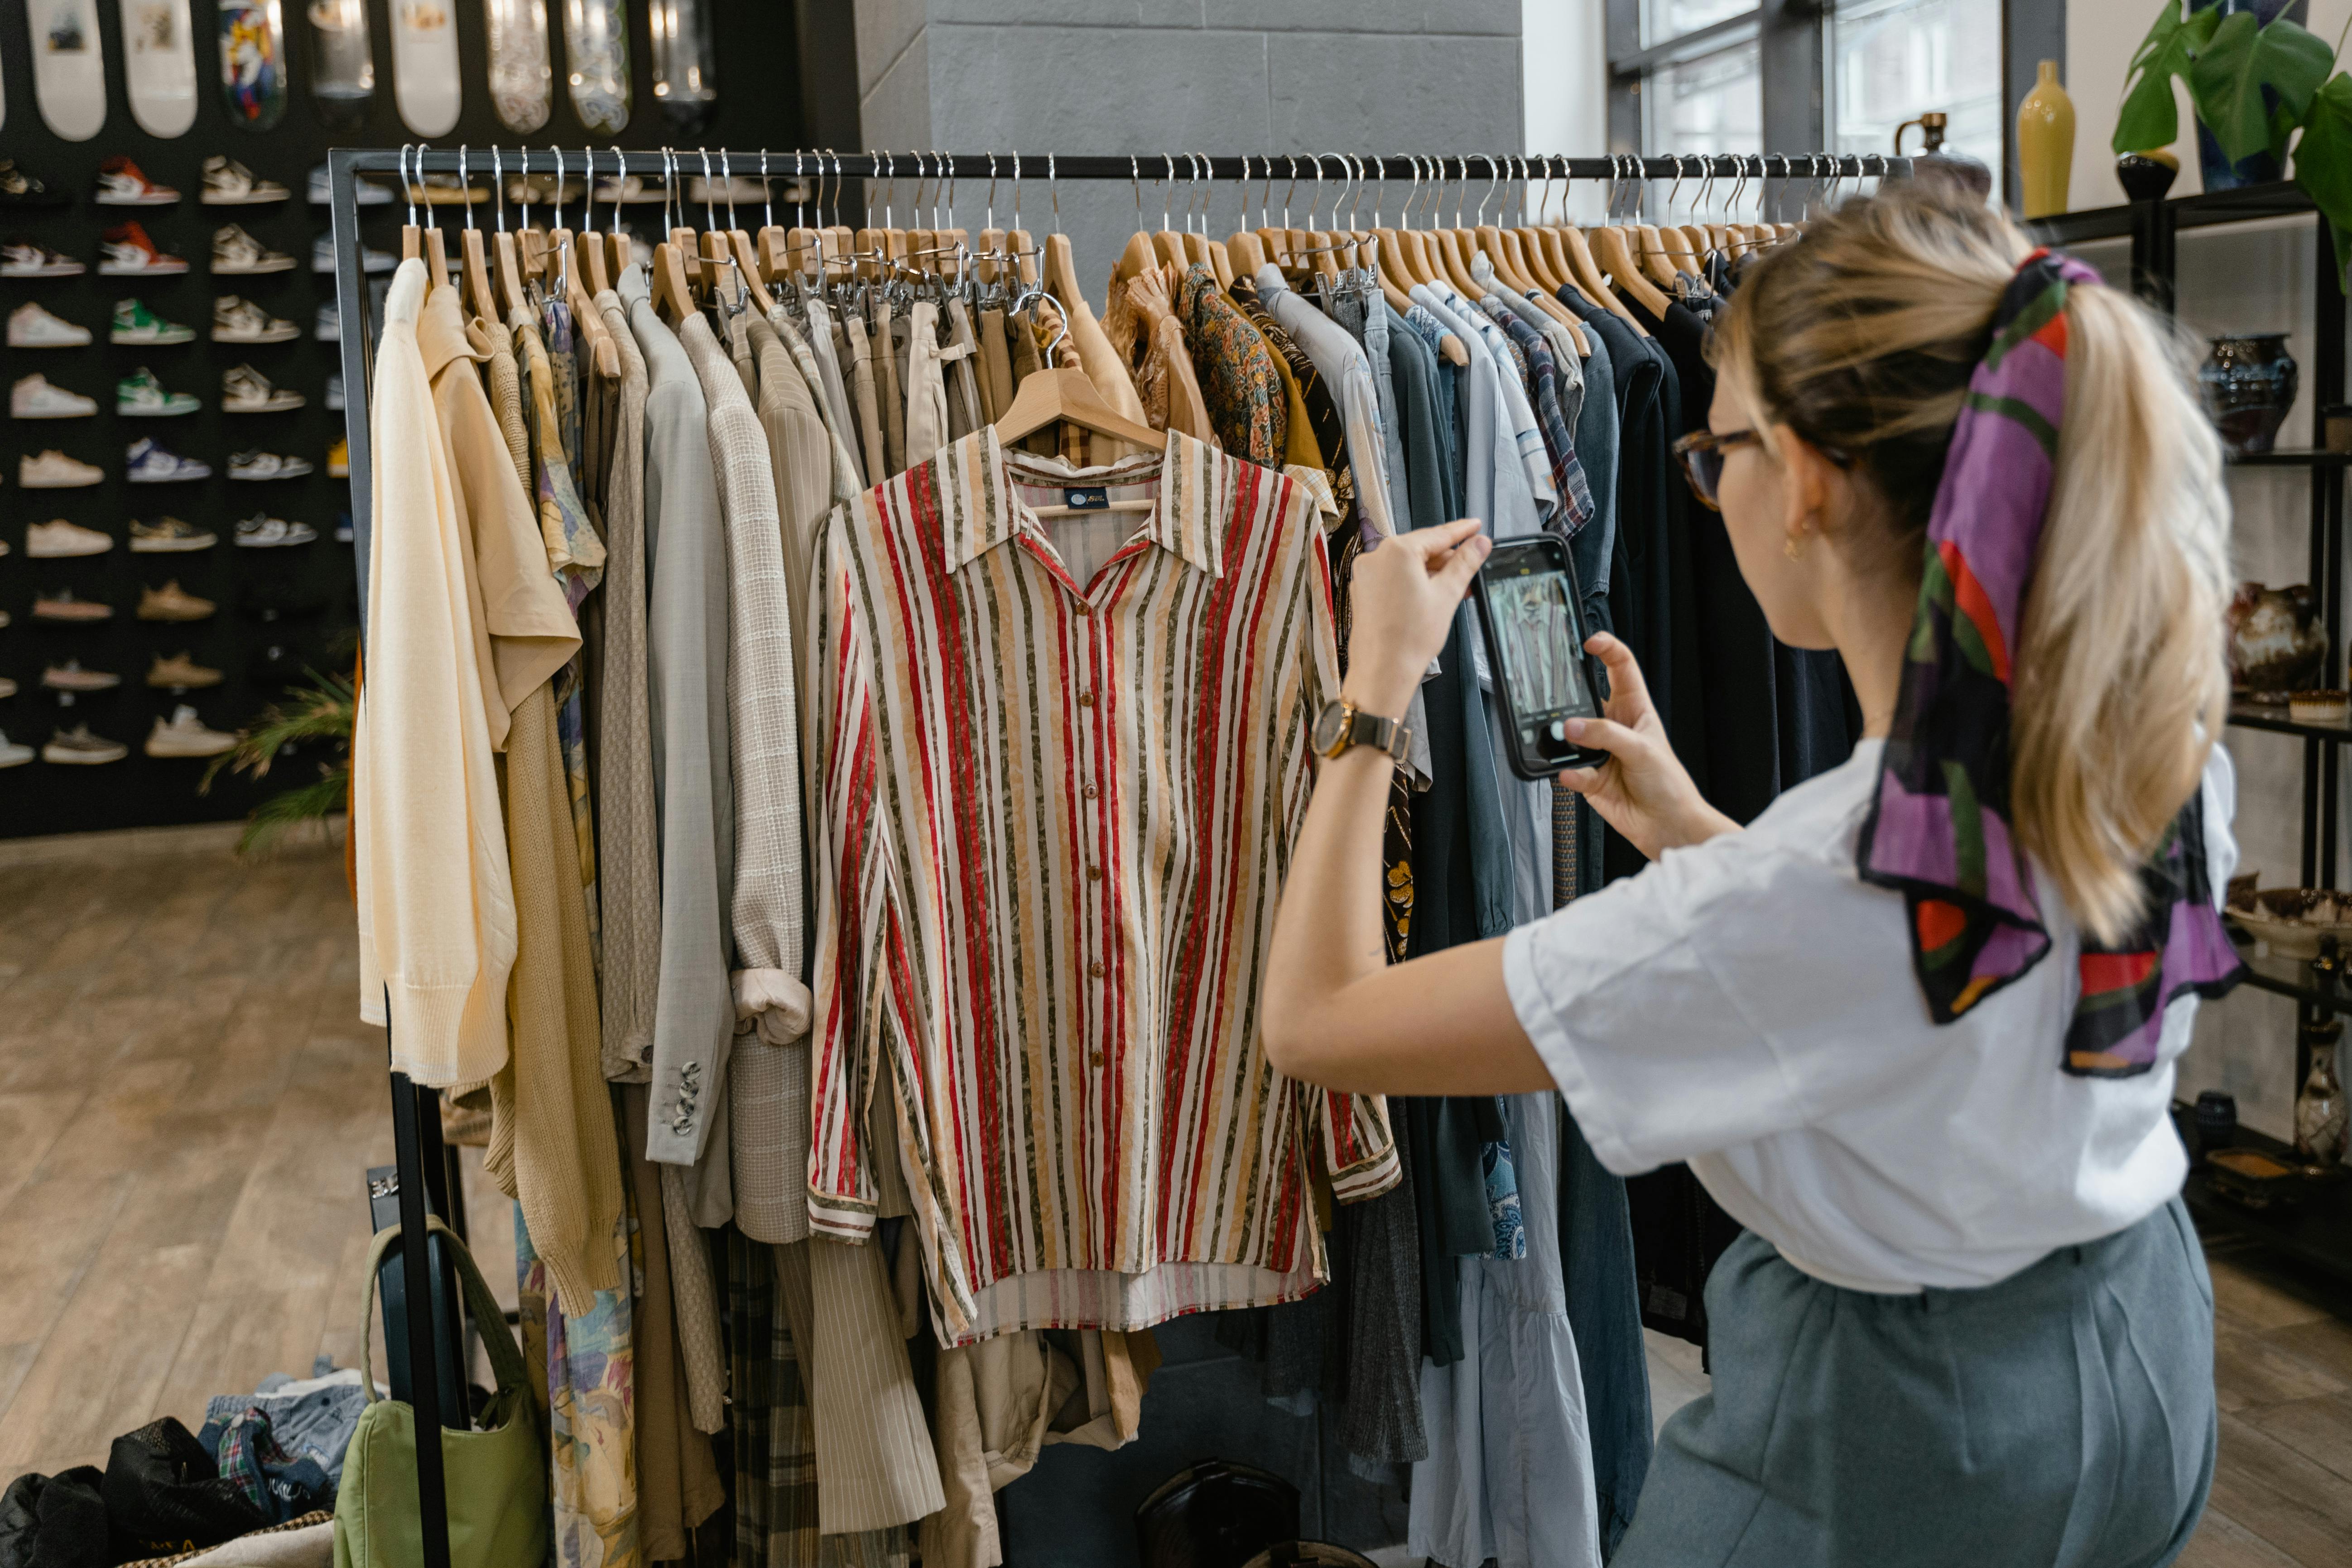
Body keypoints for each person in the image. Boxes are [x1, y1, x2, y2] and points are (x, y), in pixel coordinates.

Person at [1262, 180, 2239, 1564]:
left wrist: (1373, 697)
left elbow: (1316, 1023)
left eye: (1716, 454)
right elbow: (1913, 988)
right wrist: (1678, 821)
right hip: (2138, 1343)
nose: (1709, 492)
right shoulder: (2145, 743)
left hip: (1899, 1434)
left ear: (1812, 482)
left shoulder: (1804, 889)